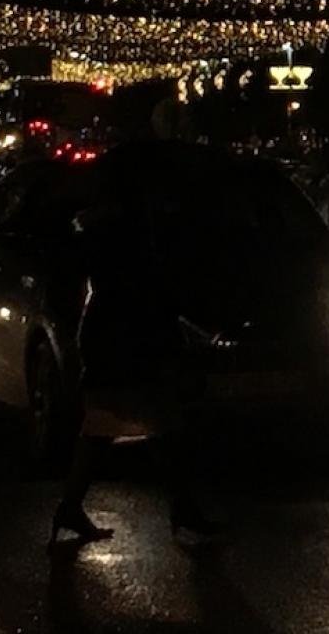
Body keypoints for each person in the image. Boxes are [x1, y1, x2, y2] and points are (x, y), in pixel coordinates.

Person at [51, 200, 225, 548]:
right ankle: (183, 508)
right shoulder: (139, 244)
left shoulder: (99, 239)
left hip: (107, 338)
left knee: (104, 427)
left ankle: (70, 508)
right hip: (132, 343)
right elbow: (159, 297)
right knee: (162, 425)